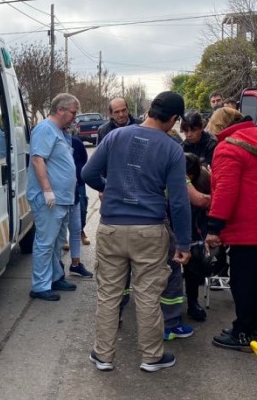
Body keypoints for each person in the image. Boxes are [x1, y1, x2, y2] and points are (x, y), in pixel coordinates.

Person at [82, 91, 192, 373]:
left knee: (109, 293)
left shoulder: (116, 136)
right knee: (147, 295)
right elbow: (179, 202)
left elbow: (88, 174)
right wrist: (183, 242)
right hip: (149, 231)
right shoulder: (172, 149)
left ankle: (103, 356)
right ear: (173, 119)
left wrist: (109, 187)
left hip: (111, 228)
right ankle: (152, 357)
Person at [204, 107, 257, 352]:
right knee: (254, 280)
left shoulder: (228, 148)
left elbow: (226, 191)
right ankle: (252, 328)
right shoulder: (256, 141)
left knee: (242, 282)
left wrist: (214, 227)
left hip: (246, 225)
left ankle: (244, 332)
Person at [26, 93, 80, 302]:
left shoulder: (58, 131)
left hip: (62, 199)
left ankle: (55, 277)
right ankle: (40, 286)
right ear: (61, 110)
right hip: (50, 199)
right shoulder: (44, 129)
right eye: (73, 112)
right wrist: (47, 190)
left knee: (57, 242)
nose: (75, 116)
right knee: (45, 243)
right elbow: (38, 160)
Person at [183, 153, 211, 322]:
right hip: (168, 222)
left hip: (195, 225)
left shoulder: (204, 179)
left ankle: (193, 302)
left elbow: (204, 203)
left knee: (193, 261)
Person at [66, 128, 93, 278]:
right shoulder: (52, 142)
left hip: (78, 187)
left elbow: (84, 161)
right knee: (57, 230)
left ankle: (75, 264)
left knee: (77, 225)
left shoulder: (76, 142)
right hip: (61, 191)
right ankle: (56, 268)